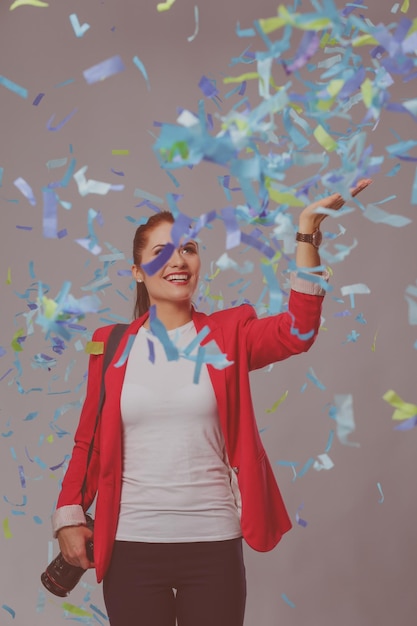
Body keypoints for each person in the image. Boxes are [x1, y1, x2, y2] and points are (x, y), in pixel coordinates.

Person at [51, 179, 371, 626]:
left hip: (212, 543)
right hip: (130, 547)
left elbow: (299, 330)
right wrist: (68, 516)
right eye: (161, 252)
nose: (178, 260)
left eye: (188, 248)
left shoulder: (230, 334)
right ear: (137, 271)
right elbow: (88, 441)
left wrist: (306, 234)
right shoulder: (110, 345)